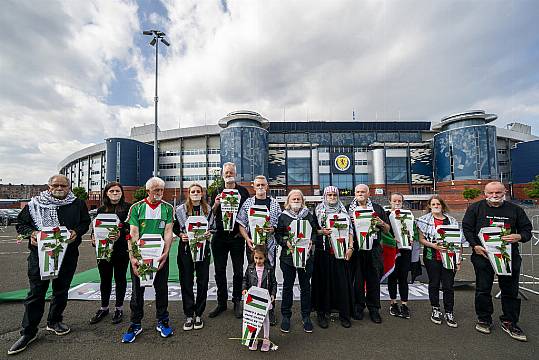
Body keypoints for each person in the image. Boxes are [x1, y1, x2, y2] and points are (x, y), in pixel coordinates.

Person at [9, 174, 90, 355]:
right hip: (40, 256)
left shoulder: (77, 203)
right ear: (49, 186)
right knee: (36, 292)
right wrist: (32, 233)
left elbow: (85, 222)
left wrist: (77, 231)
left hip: (67, 255)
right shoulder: (35, 204)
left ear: (69, 187)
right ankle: (28, 332)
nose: (60, 188)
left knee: (61, 290)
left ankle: (54, 321)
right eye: (56, 185)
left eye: (63, 185)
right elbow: (21, 224)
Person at [462, 181, 532, 341]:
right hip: (483, 256)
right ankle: (484, 319)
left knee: (510, 290)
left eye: (498, 193)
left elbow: (527, 230)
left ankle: (510, 321)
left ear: (504, 192)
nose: (494, 196)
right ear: (485, 193)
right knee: (483, 289)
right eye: (490, 193)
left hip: (507, 256)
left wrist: (519, 236)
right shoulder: (475, 208)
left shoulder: (515, 210)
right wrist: (474, 246)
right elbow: (467, 228)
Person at [121, 177, 174, 343]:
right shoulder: (137, 208)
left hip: (159, 256)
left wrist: (165, 254)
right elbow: (133, 234)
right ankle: (136, 323)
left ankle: (162, 320)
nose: (159, 193)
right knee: (138, 291)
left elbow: (168, 232)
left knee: (162, 289)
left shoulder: (167, 208)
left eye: (161, 190)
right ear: (148, 191)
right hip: (141, 257)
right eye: (156, 190)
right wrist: (133, 258)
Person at [237, 175, 282, 325]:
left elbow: (280, 223)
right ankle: (253, 309)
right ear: (253, 186)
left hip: (269, 246)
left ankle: (270, 309)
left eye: (263, 184)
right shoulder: (248, 203)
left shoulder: (274, 203)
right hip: (252, 246)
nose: (261, 187)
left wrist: (273, 228)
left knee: (269, 278)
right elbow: (241, 224)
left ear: (267, 186)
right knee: (252, 277)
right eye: (258, 185)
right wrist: (247, 238)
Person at [208, 162, 251, 319]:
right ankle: (221, 302)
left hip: (236, 237)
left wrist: (243, 232)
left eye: (231, 172)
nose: (229, 174)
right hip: (219, 236)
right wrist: (216, 203)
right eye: (226, 172)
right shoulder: (216, 190)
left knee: (238, 271)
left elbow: (248, 213)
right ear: (222, 175)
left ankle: (237, 302)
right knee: (219, 271)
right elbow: (210, 213)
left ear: (235, 173)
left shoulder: (243, 191)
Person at [275, 189, 318, 333]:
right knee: (287, 286)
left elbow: (315, 232)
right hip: (288, 258)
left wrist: (312, 241)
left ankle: (306, 316)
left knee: (306, 287)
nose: (296, 201)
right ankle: (286, 316)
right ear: (288, 201)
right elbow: (279, 235)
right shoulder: (283, 216)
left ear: (302, 200)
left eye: (298, 199)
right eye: (293, 199)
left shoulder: (308, 215)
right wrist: (285, 243)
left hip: (306, 257)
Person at [311, 186, 355, 328]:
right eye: (329, 194)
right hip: (323, 252)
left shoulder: (343, 210)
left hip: (341, 252)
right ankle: (322, 314)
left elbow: (350, 230)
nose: (331, 197)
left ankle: (344, 314)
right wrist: (321, 231)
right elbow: (312, 230)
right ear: (324, 196)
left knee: (342, 283)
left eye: (334, 194)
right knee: (323, 283)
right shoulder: (317, 211)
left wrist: (350, 247)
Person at [416, 196, 462, 328]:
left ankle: (449, 311)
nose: (436, 206)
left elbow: (458, 242)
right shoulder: (424, 221)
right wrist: (434, 246)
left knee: (448, 285)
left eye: (438, 204)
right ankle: (435, 308)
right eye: (433, 204)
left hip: (449, 257)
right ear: (429, 206)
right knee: (434, 283)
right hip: (432, 257)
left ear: (442, 205)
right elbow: (421, 239)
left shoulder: (452, 221)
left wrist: (458, 259)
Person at [89, 182, 131, 325]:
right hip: (104, 250)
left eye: (117, 191)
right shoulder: (101, 209)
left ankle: (119, 308)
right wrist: (93, 238)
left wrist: (122, 232)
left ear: (122, 193)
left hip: (121, 250)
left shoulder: (128, 208)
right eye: (111, 191)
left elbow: (132, 227)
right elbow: (95, 227)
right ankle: (104, 307)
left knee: (120, 279)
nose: (114, 193)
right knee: (105, 279)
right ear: (106, 193)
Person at [348, 184, 390, 324]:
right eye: (358, 191)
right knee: (357, 280)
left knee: (373, 279)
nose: (360, 194)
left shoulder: (377, 209)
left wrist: (381, 223)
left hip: (374, 248)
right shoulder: (348, 209)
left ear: (368, 193)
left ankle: (374, 308)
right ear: (354, 193)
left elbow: (387, 229)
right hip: (357, 249)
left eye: (363, 191)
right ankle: (358, 306)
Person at [174, 183, 213, 331]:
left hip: (203, 249)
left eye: (198, 191)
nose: (196, 193)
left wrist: (209, 233)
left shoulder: (208, 210)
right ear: (188, 194)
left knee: (202, 281)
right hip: (185, 250)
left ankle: (199, 314)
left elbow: (212, 227)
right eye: (193, 191)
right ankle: (189, 314)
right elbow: (176, 227)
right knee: (186, 281)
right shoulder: (180, 210)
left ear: (202, 193)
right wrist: (181, 235)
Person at [242, 245, 277, 352]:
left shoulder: (269, 269)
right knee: (253, 319)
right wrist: (244, 289)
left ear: (265, 257)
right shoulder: (250, 268)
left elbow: (274, 283)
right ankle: (254, 338)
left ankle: (266, 339)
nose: (258, 261)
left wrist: (273, 294)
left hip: (264, 298)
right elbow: (245, 280)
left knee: (265, 318)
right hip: (253, 298)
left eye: (260, 258)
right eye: (256, 258)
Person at [385, 192, 413, 319]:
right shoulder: (386, 215)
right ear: (390, 202)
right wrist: (392, 239)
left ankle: (404, 304)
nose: (397, 203)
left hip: (405, 250)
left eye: (399, 201)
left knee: (403, 277)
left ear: (402, 202)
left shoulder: (408, 215)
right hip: (392, 250)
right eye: (394, 201)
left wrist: (412, 238)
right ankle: (393, 303)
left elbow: (414, 231)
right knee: (392, 276)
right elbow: (383, 232)